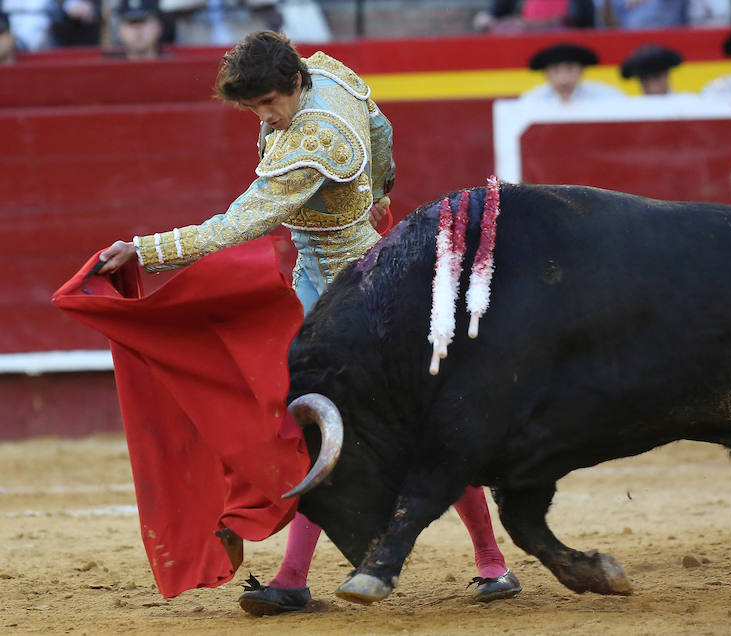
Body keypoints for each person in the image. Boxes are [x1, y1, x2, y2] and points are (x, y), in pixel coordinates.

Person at [97, 30, 520, 616]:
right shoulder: (327, 73)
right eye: (253, 108)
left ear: (294, 82)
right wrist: (378, 188)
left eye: (269, 103)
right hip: (317, 284)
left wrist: (148, 249)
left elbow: (238, 224)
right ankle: (475, 564)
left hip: (362, 297)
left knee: (372, 425)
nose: (264, 117)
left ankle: (479, 563)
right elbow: (380, 128)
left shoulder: (315, 137)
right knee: (310, 420)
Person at [519, 42, 624, 105]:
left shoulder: (607, 96)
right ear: (546, 74)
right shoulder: (532, 99)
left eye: (570, 69)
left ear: (581, 71)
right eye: (556, 71)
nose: (563, 79)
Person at [472, 0, 595, 33]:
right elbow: (494, 13)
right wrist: (486, 20)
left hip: (564, 47)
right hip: (523, 47)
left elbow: (587, 23)